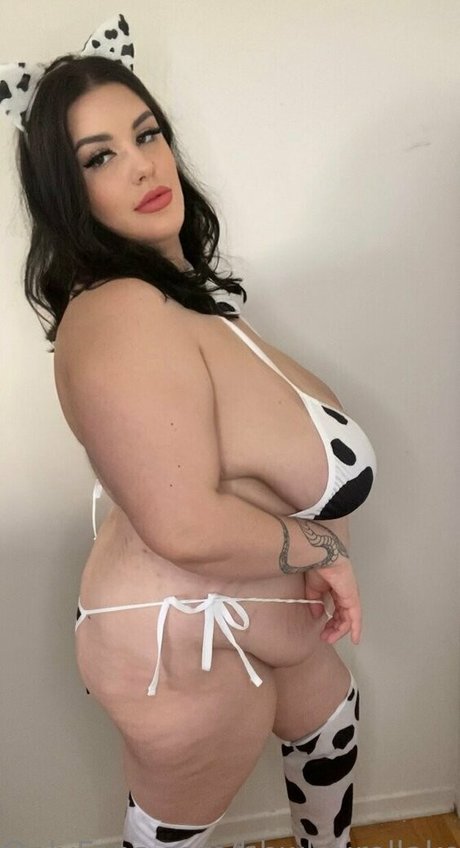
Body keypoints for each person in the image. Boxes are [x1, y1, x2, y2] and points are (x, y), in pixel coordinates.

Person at [1, 13, 376, 848]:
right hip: (186, 639)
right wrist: (325, 549)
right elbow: (184, 524)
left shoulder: (174, 301)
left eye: (147, 134)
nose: (142, 164)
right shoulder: (119, 314)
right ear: (67, 194)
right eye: (99, 158)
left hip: (246, 613)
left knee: (330, 722)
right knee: (174, 833)